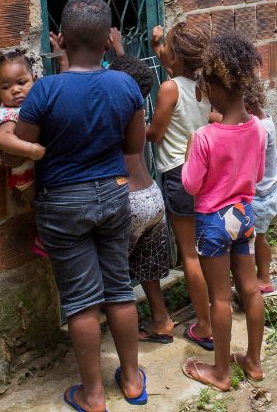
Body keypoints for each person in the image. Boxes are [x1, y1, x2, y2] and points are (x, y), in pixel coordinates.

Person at [15, 0, 148, 411]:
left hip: (62, 201)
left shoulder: (45, 90)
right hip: (113, 192)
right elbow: (134, 145)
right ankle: (131, 380)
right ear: (108, 42)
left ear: (62, 41)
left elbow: (23, 145)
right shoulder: (125, 85)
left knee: (80, 300)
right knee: (120, 289)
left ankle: (92, 395)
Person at [180, 32, 266, 392]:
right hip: (244, 216)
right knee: (251, 288)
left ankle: (220, 372)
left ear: (214, 87)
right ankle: (254, 362)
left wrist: (189, 152)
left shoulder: (205, 137)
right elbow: (257, 176)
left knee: (220, 296)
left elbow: (191, 185)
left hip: (214, 223)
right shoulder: (258, 128)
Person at [148, 22, 216, 351]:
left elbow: (155, 134)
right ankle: (215, 313)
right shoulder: (203, 86)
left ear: (175, 56)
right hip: (204, 172)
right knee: (206, 250)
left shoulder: (169, 89)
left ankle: (204, 326)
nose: (162, 50)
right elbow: (176, 74)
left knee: (188, 253)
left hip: (178, 173)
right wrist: (158, 46)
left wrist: (133, 126)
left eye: (166, 47)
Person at [108, 54, 175, 345]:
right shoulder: (138, 112)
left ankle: (126, 333)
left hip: (127, 200)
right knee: (148, 269)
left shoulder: (109, 112)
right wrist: (119, 49)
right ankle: (162, 320)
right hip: (151, 197)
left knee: (115, 273)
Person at [0, 49, 47, 257]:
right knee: (41, 203)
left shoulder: (38, 103)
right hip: (25, 172)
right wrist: (31, 149)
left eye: (22, 82)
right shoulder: (9, 113)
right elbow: (3, 139)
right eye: (6, 87)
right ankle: (44, 238)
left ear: (34, 79)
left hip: (38, 166)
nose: (16, 90)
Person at [244, 81, 277, 294]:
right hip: (268, 193)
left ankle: (262, 277)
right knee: (260, 238)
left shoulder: (259, 129)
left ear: (247, 109)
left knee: (253, 241)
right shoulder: (266, 120)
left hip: (259, 197)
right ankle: (262, 276)